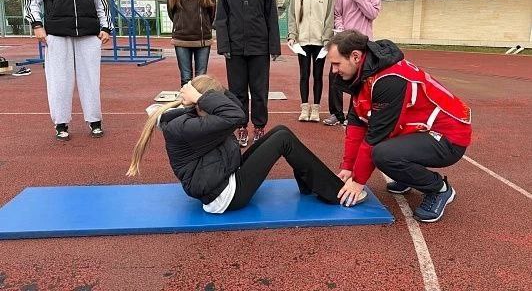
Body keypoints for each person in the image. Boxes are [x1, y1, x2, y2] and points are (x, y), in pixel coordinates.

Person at [127, 75, 367, 213]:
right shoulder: (188, 126)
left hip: (221, 175)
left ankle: (310, 185)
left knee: (281, 131)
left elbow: (235, 109)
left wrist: (209, 92)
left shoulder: (194, 117)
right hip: (224, 196)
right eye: (213, 98)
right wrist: (201, 96)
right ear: (202, 102)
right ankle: (337, 194)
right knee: (282, 139)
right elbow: (237, 115)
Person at [326, 30, 472, 223]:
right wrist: (348, 168)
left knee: (383, 154)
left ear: (355, 56)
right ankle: (407, 177)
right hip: (420, 130)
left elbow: (375, 136)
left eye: (336, 64)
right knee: (383, 149)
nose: (333, 70)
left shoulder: (389, 79)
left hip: (449, 136)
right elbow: (357, 123)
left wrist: (358, 182)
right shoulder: (364, 73)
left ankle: (439, 189)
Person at [24, 0, 112, 141]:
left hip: (88, 35)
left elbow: (101, 4)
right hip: (57, 34)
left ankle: (94, 121)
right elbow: (31, 0)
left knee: (90, 79)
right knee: (59, 80)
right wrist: (37, 25)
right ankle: (61, 123)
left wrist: (106, 27)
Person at [215, 0, 281, 147]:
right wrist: (224, 44)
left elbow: (271, 14)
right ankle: (241, 127)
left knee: (260, 91)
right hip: (234, 48)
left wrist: (274, 46)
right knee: (237, 92)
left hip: (259, 46)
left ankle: (259, 127)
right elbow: (221, 15)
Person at [324, 0, 381, 126]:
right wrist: (341, 29)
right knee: (334, 75)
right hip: (344, 40)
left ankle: (353, 115)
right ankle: (336, 114)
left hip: (363, 42)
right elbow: (337, 14)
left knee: (359, 79)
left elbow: (372, 14)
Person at [287, 0, 334, 122]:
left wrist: (327, 39)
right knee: (304, 75)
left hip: (320, 42)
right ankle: (304, 108)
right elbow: (292, 16)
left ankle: (316, 109)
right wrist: (292, 35)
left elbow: (329, 17)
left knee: (318, 76)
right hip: (302, 43)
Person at [167, 0, 216, 86]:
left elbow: (211, 13)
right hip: (181, 40)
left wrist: (205, 26)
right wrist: (180, 25)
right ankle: (187, 101)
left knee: (201, 79)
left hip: (202, 40)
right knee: (186, 78)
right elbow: (172, 13)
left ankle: (200, 101)